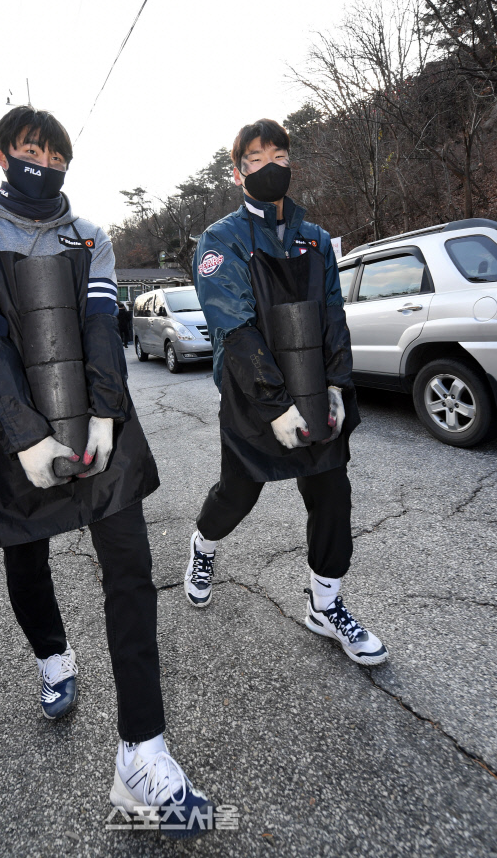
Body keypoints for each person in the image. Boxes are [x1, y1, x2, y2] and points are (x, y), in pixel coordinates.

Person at [0, 105, 212, 835]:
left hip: (93, 416)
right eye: (31, 150)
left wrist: (103, 415)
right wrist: (27, 437)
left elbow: (98, 325)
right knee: (27, 560)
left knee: (130, 565)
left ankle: (141, 753)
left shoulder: (89, 235)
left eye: (57, 154)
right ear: (2, 156)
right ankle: (53, 657)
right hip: (7, 428)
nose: (45, 163)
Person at [183, 118, 388, 666]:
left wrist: (339, 385)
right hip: (254, 395)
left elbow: (332, 319)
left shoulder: (315, 238)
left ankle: (325, 605)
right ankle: (204, 547)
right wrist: (275, 407)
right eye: (256, 157)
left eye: (279, 154)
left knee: (331, 495)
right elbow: (236, 327)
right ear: (237, 172)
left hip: (316, 387)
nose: (270, 165)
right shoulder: (221, 240)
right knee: (238, 492)